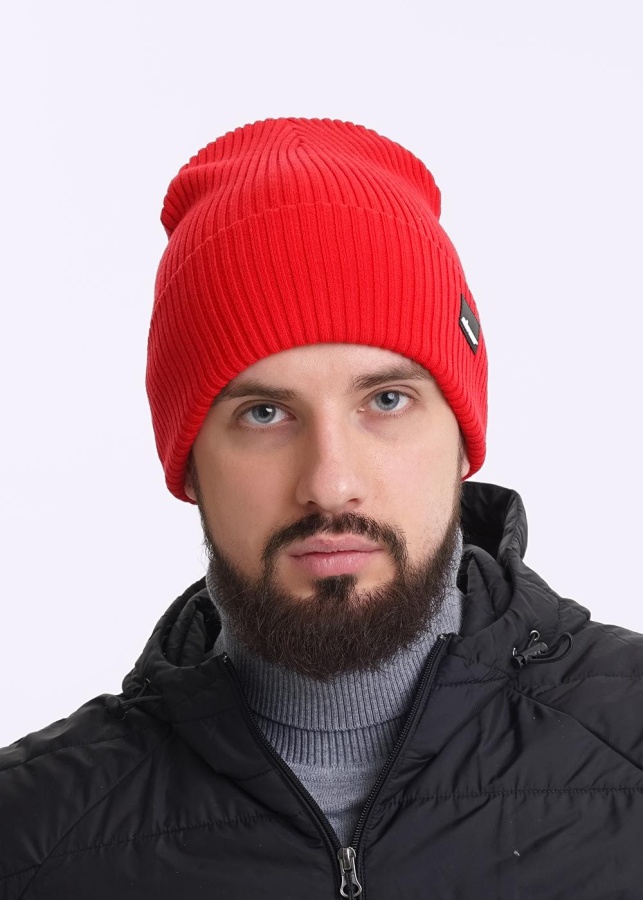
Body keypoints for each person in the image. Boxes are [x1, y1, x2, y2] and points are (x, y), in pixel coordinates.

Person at [1, 118, 642, 900]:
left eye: (386, 400)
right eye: (264, 413)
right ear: (189, 463)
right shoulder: (29, 839)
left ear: (462, 439)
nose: (330, 483)